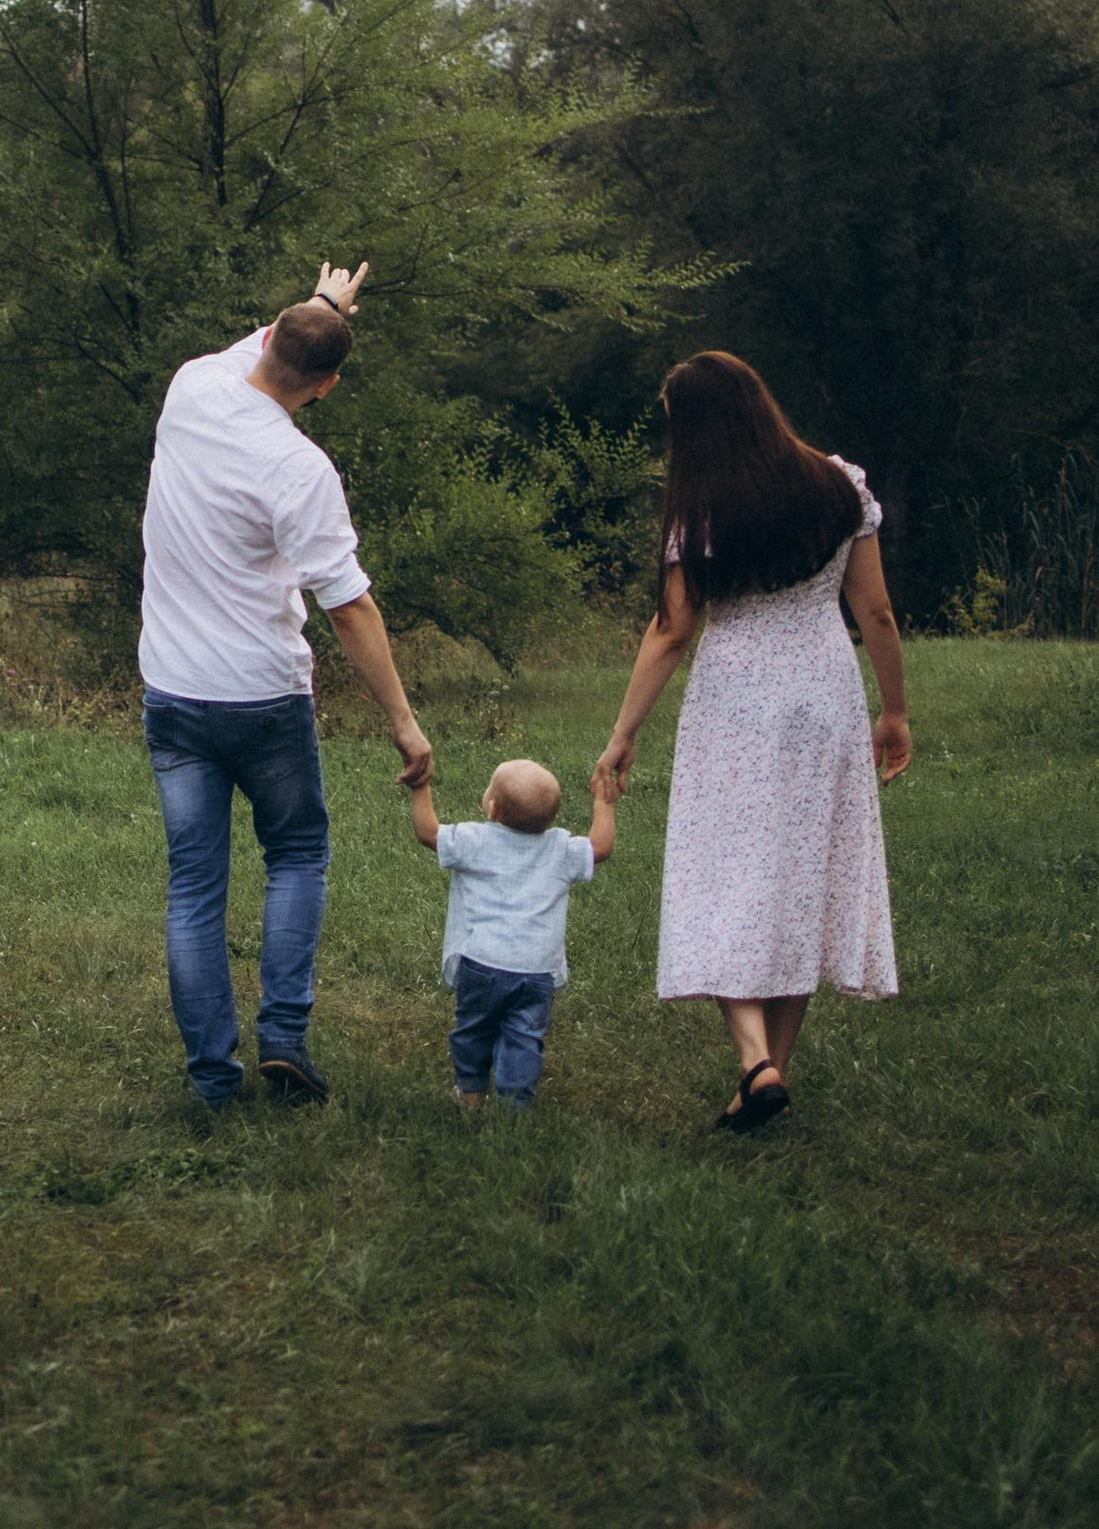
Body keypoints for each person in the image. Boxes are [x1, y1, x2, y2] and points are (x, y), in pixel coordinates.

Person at [138, 261, 433, 1110]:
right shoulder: (299, 470)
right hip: (264, 697)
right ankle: (286, 1040)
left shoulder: (193, 386)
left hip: (175, 693)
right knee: (297, 854)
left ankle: (210, 1081)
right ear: (329, 387)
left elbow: (274, 338)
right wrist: (404, 722)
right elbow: (349, 608)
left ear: (266, 339)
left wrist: (326, 301)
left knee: (194, 884)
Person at [593, 351, 911, 1134]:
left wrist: (623, 735)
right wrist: (894, 711)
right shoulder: (840, 484)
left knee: (723, 872)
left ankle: (752, 1061)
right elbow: (876, 615)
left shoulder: (700, 510)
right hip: (825, 696)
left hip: (735, 703)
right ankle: (773, 1075)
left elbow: (672, 631)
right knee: (802, 875)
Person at [406, 758, 618, 1107]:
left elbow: (428, 832)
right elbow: (600, 847)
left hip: (481, 963)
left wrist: (420, 787)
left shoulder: (475, 839)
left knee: (473, 1028)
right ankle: (514, 1102)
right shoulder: (562, 849)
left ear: (493, 808)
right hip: (537, 971)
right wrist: (603, 803)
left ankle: (471, 1091)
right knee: (524, 1036)